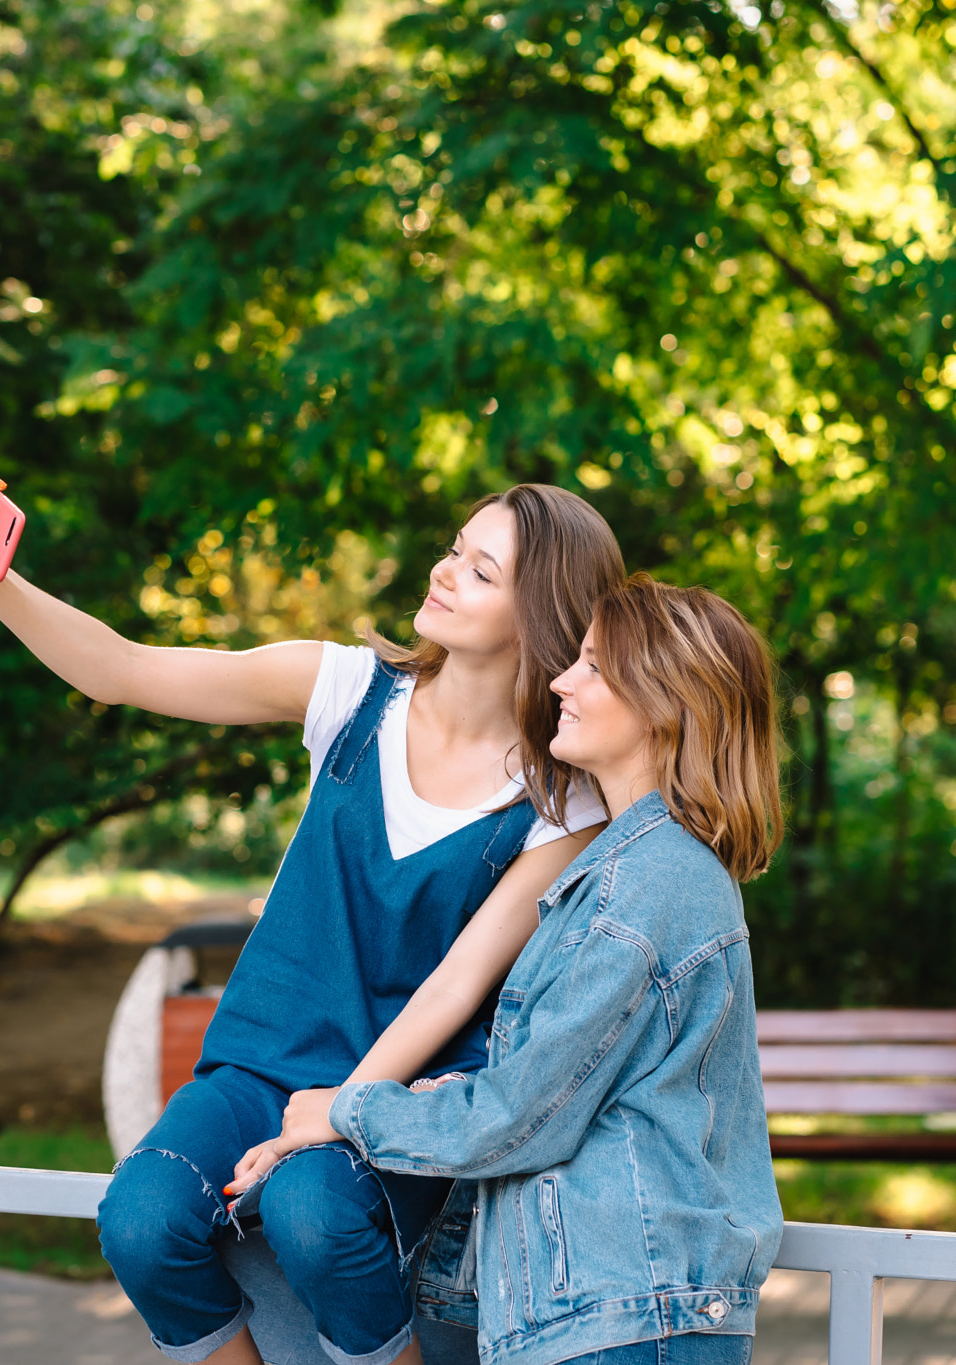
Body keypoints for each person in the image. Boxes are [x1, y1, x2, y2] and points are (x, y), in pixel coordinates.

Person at [0, 478, 626, 1365]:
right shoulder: (347, 690)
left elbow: (460, 984)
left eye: (480, 570)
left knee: (314, 1213)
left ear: (539, 613)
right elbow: (123, 670)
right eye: (454, 548)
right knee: (140, 1221)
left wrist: (345, 1110)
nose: (443, 572)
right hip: (259, 1059)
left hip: (401, 1090)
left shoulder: (561, 801)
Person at [232, 576, 785, 1365]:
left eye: (593, 666)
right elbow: (581, 1087)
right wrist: (454, 1093)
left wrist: (349, 1112)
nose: (562, 678)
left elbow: (523, 1114)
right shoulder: (628, 868)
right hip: (604, 1311)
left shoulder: (649, 883)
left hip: (626, 1320)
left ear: (665, 702)